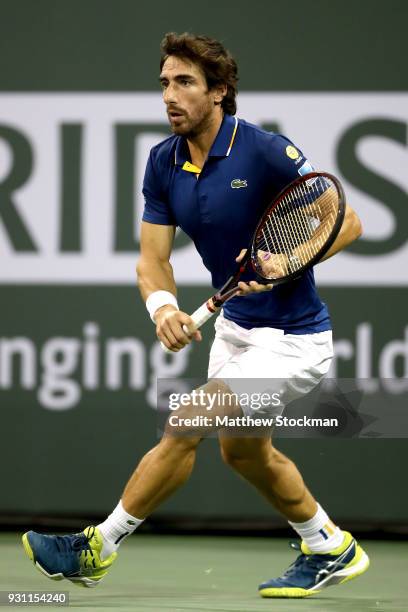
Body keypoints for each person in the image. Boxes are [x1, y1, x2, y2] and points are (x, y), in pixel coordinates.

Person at [22, 32, 369, 598]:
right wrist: (162, 308)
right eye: (164, 83)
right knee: (243, 451)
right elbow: (152, 261)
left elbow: (347, 222)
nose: (170, 96)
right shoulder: (163, 162)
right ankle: (330, 546)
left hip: (294, 340)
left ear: (220, 91)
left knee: (186, 420)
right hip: (235, 329)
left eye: (185, 82)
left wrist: (290, 258)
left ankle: (96, 547)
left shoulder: (263, 150)